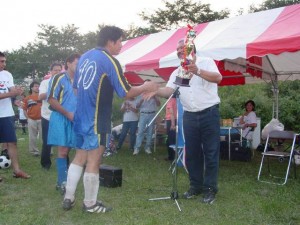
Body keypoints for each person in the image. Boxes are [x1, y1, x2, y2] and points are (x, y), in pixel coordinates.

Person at [62, 26, 158, 212]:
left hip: (81, 116)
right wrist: (146, 86)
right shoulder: (109, 61)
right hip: (97, 118)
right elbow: (126, 92)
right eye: (120, 41)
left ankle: (68, 197)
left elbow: (75, 89)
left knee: (79, 157)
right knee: (94, 160)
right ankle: (90, 204)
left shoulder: (85, 57)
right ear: (110, 42)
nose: (121, 45)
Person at [153, 39, 222, 204]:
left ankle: (210, 189)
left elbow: (218, 78)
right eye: (177, 49)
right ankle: (195, 186)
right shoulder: (177, 72)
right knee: (192, 154)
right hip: (190, 116)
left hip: (209, 113)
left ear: (192, 49)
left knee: (211, 153)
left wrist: (197, 70)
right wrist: (154, 89)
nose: (178, 51)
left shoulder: (206, 62)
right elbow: (169, 90)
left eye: (181, 48)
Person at [47, 53, 80, 194]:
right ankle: (62, 182)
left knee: (78, 151)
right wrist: (67, 113)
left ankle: (70, 179)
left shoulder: (81, 80)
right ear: (68, 63)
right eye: (77, 63)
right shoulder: (58, 78)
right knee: (63, 150)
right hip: (61, 117)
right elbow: (51, 99)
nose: (79, 67)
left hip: (77, 119)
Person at [0, 51, 30, 179]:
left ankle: (17, 170)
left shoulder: (7, 74)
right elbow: (9, 93)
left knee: (12, 142)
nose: (4, 64)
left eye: (4, 61)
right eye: (1, 61)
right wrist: (11, 94)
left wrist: (17, 93)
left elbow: (12, 91)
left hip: (7, 114)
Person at [39, 62, 62, 170]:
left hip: (61, 115)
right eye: (55, 70)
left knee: (62, 141)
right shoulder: (45, 82)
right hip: (47, 116)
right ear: (51, 71)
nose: (57, 72)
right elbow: (41, 96)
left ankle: (63, 163)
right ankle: (45, 163)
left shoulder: (64, 82)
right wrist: (53, 90)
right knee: (47, 141)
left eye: (59, 70)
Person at [133, 86, 161, 155]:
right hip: (143, 114)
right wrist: (142, 99)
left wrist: (154, 97)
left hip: (152, 114)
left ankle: (147, 148)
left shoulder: (154, 95)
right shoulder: (140, 95)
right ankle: (137, 148)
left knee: (150, 132)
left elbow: (159, 104)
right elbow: (136, 106)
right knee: (140, 131)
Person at [23, 81, 42, 156]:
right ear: (31, 87)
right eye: (36, 86)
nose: (37, 87)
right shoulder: (27, 98)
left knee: (44, 136)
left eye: (38, 86)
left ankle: (48, 151)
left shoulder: (42, 97)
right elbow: (24, 109)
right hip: (31, 119)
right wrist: (28, 118)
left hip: (42, 119)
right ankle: (34, 151)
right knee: (32, 136)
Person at [165, 95, 177, 161]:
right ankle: (173, 156)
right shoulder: (177, 100)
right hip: (176, 120)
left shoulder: (170, 100)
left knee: (170, 140)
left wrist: (172, 124)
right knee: (173, 139)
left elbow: (171, 112)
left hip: (171, 121)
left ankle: (171, 157)